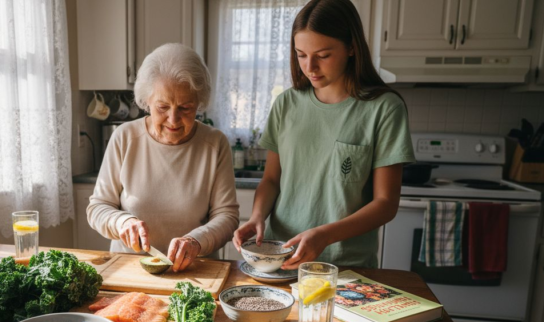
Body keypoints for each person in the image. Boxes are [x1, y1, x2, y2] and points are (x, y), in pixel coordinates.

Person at [233, 0, 415, 269]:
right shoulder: (286, 104)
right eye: (301, 54)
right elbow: (271, 179)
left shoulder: (385, 109)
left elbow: (386, 203)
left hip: (346, 267)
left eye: (323, 55)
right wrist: (257, 216)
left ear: (352, 47)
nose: (310, 67)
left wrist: (324, 236)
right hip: (280, 259)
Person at [87, 43, 239, 272]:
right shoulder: (124, 137)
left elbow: (227, 217)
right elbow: (98, 207)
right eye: (162, 107)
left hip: (195, 270)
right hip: (128, 269)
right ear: (147, 101)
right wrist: (122, 222)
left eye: (186, 107)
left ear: (199, 103)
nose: (173, 119)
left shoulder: (214, 143)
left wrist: (196, 241)